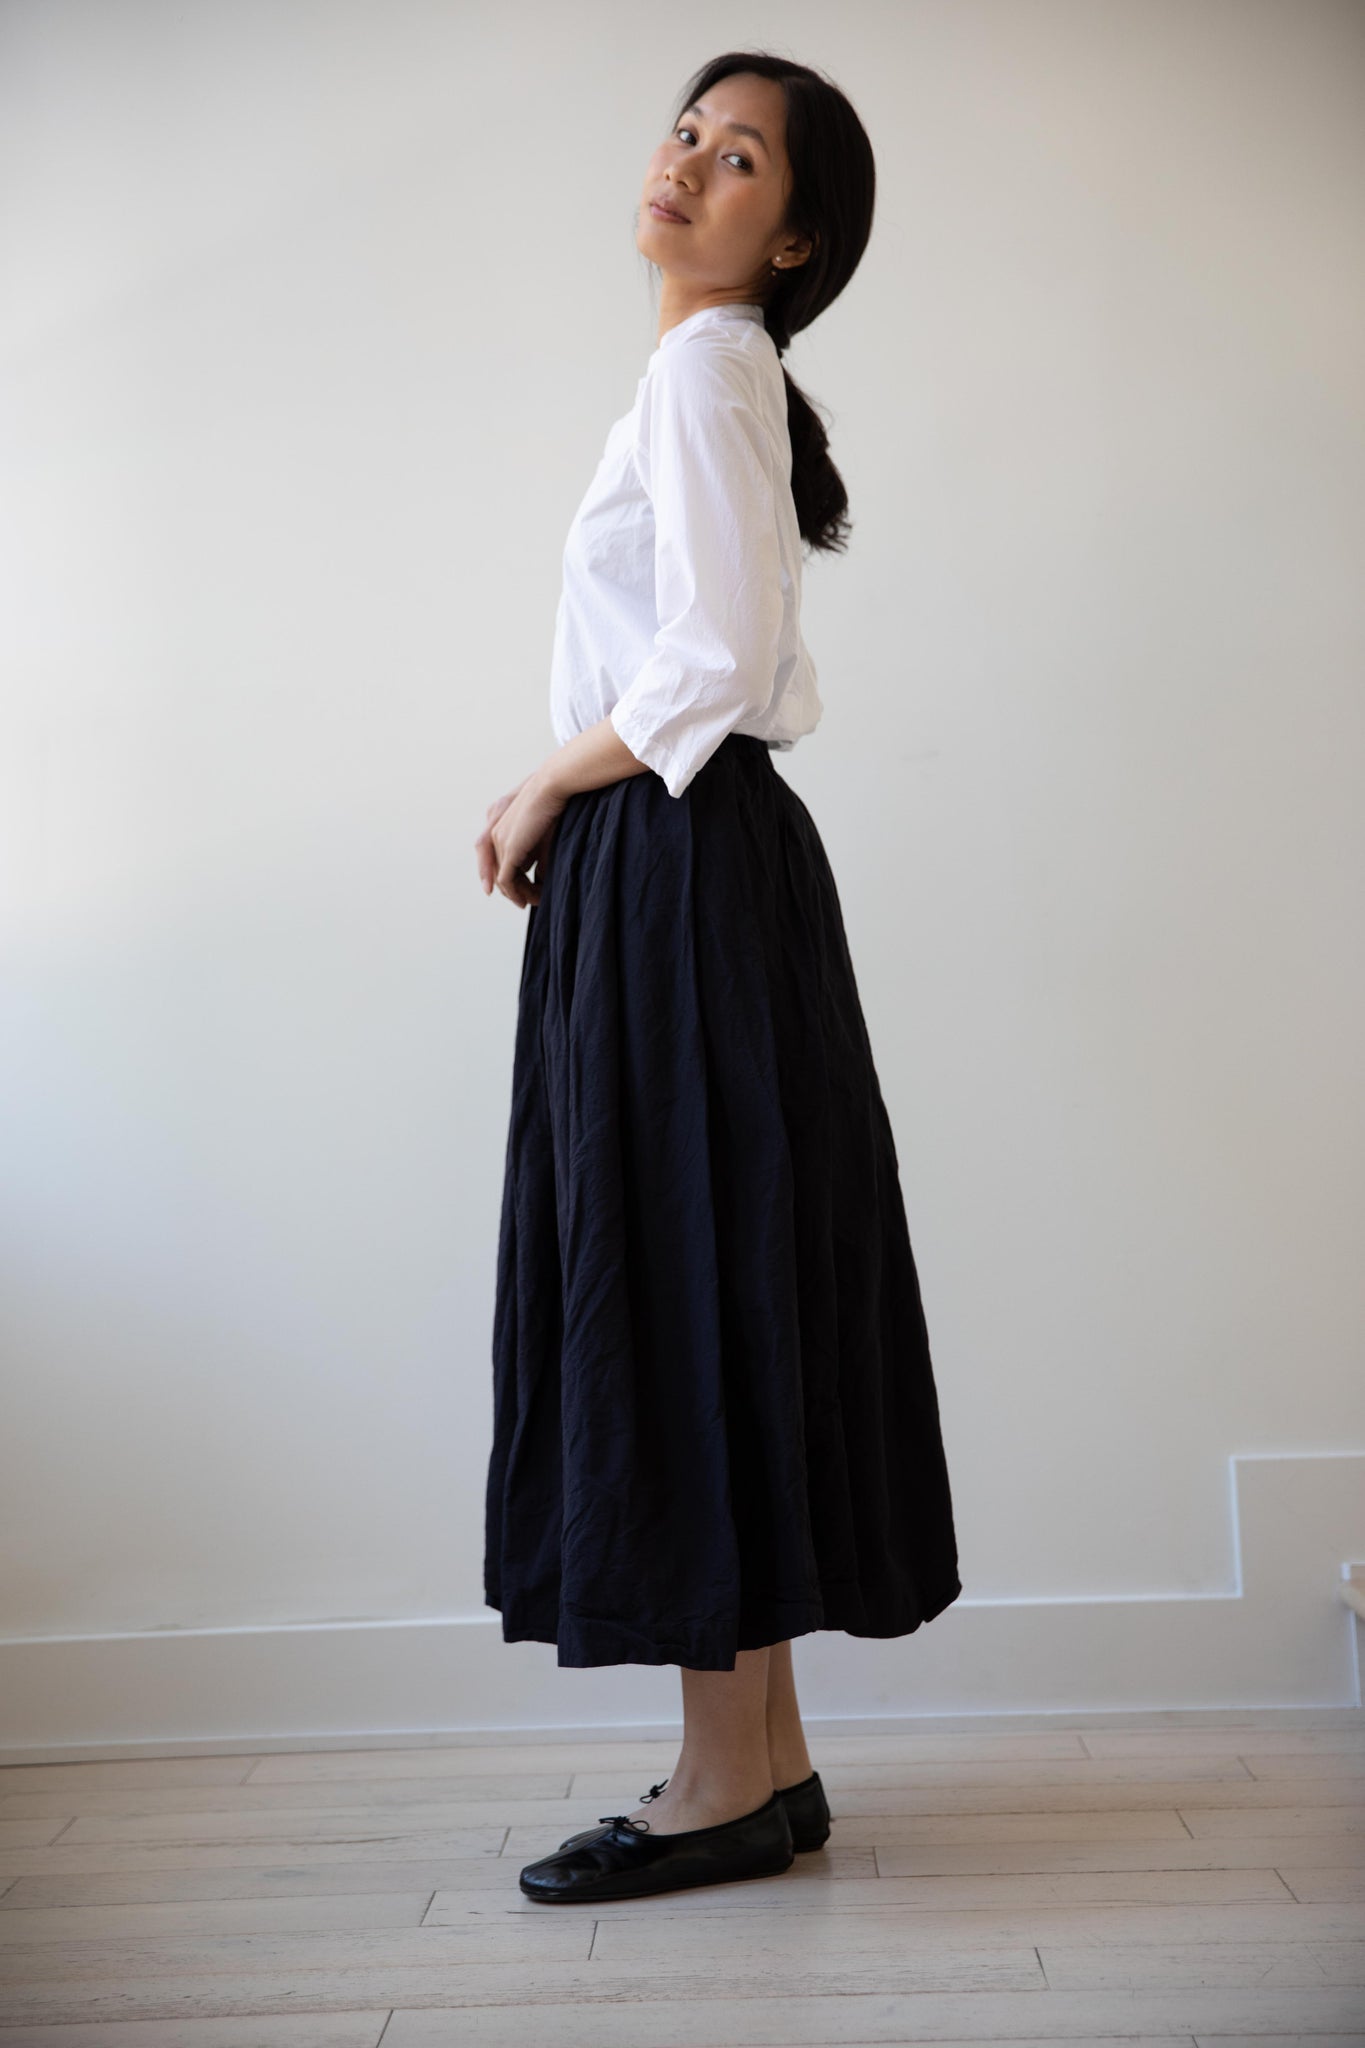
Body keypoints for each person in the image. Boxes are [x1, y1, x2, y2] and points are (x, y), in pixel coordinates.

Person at [474, 51, 962, 1906]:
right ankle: (768, 1760)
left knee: (679, 1274)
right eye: (685, 130)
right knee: (720, 1265)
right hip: (703, 858)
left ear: (796, 235)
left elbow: (712, 656)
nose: (686, 161)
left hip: (673, 854)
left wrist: (545, 779)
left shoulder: (702, 369)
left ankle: (716, 1786)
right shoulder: (712, 370)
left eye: (737, 155)